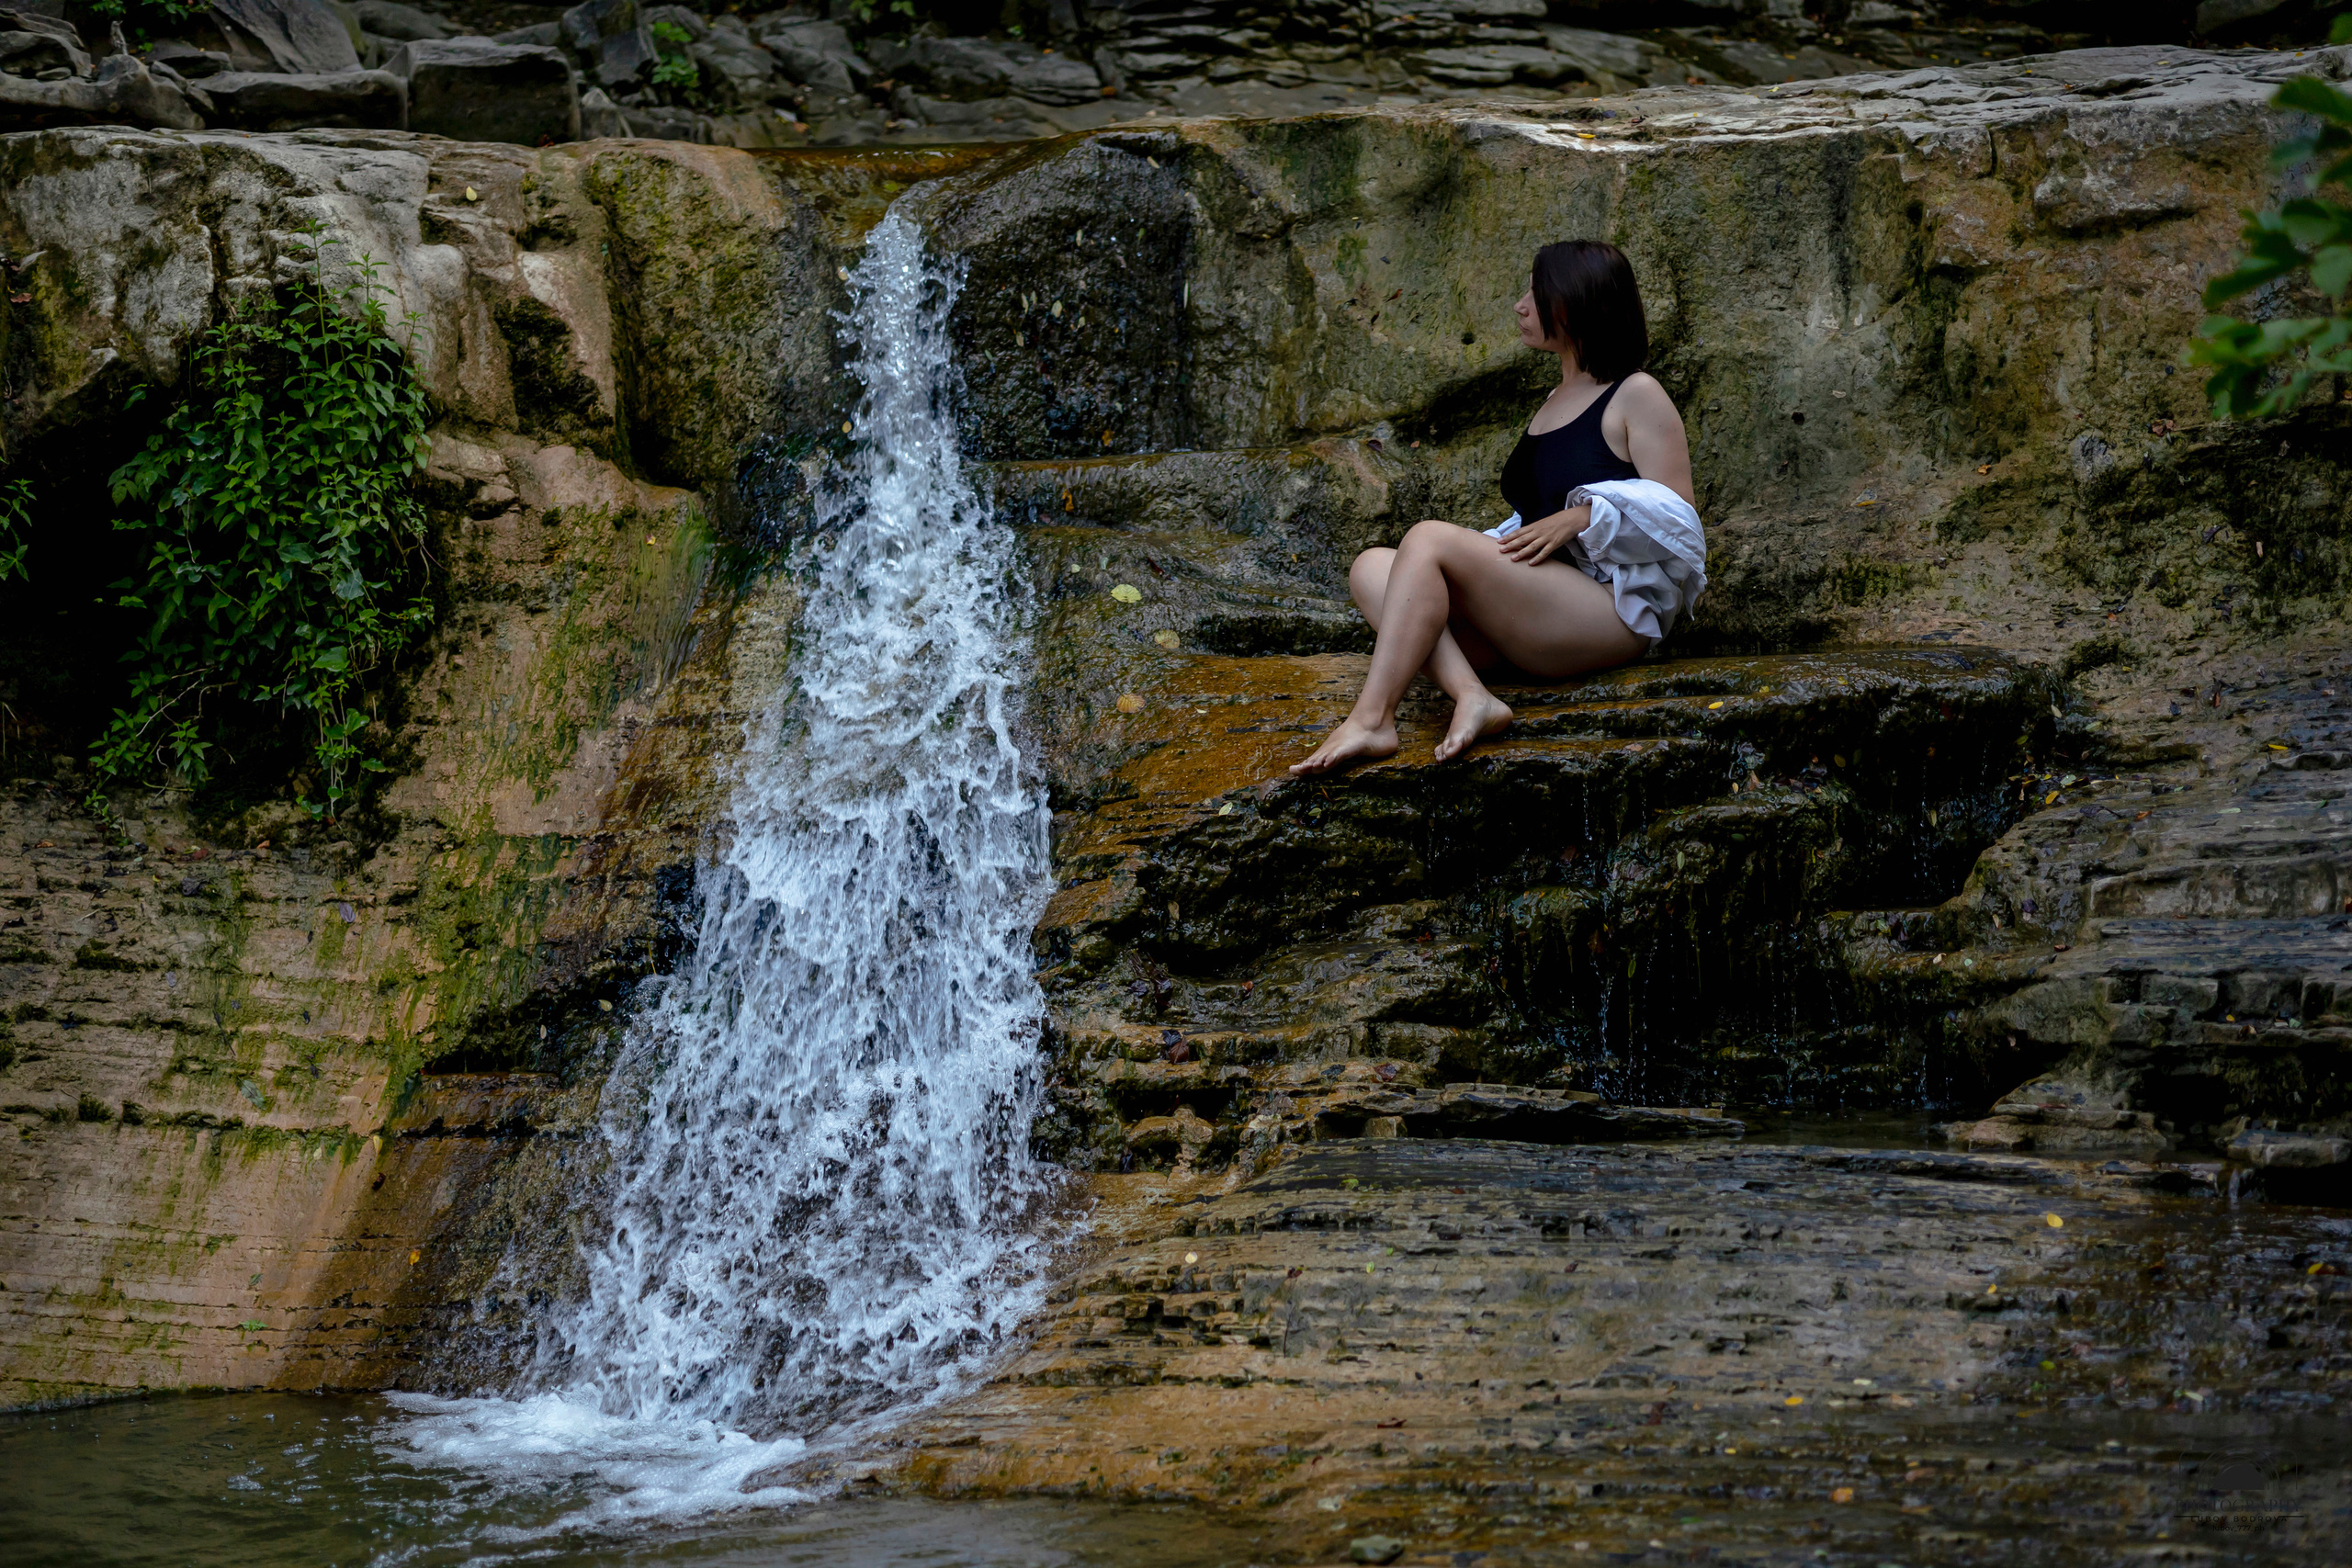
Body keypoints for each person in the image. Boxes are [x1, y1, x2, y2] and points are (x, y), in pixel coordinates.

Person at [1290, 241, 1705, 776]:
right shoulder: (1555, 399)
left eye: (1536, 290)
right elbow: (1532, 521)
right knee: (1373, 566)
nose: (1520, 304)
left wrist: (1586, 516)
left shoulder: (1636, 393)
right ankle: (1473, 695)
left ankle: (1373, 720)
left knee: (1428, 538)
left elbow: (1683, 525)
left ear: (1575, 303)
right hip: (1534, 610)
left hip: (1608, 612)